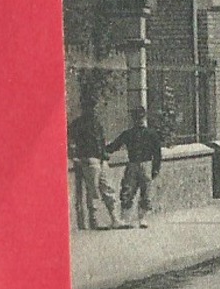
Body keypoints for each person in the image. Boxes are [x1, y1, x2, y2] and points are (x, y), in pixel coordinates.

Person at [68, 95, 120, 230]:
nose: (92, 110)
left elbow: (100, 141)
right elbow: (70, 142)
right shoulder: (77, 124)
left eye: (93, 107)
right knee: (93, 190)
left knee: (107, 187)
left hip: (100, 159)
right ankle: (94, 220)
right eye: (90, 107)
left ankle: (114, 218)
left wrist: (104, 153)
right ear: (84, 109)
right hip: (89, 158)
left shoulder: (96, 123)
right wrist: (74, 157)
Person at [107, 106, 162, 229]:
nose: (139, 120)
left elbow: (157, 153)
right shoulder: (129, 134)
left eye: (141, 117)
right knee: (128, 190)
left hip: (146, 163)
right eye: (137, 117)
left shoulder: (151, 134)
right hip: (133, 164)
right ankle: (126, 218)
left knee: (146, 191)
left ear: (144, 117)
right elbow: (114, 146)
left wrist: (156, 168)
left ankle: (142, 218)